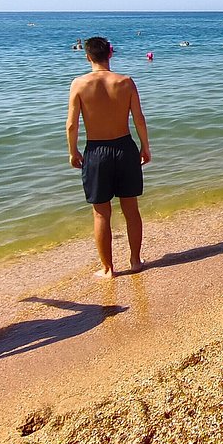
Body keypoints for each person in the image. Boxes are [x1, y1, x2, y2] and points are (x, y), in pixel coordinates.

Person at [66, 37, 151, 278]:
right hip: (125, 147)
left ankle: (107, 268)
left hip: (96, 151)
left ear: (87, 56)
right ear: (110, 55)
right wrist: (145, 147)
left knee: (101, 212)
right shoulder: (125, 82)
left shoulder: (79, 84)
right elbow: (139, 118)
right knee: (131, 209)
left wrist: (73, 151)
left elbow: (72, 124)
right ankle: (135, 260)